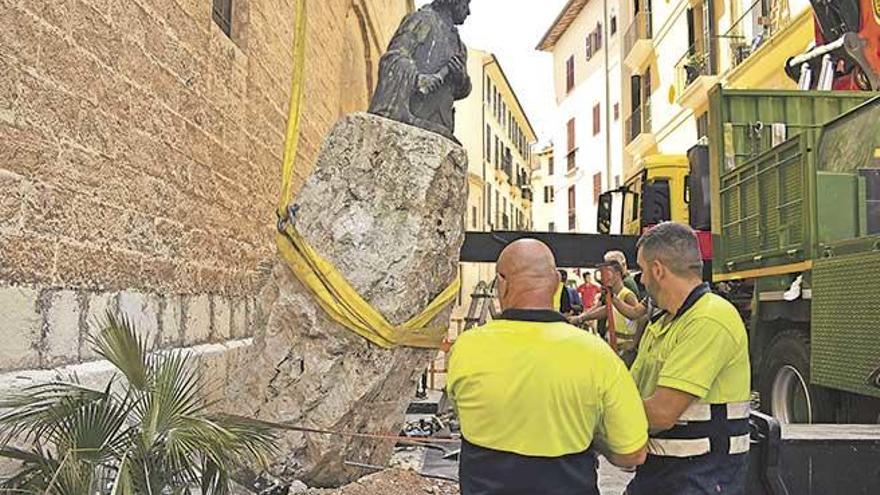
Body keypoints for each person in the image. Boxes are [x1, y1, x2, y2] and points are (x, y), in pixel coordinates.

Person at [447, 239, 648, 495]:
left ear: (502, 282)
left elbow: (463, 414)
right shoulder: (598, 356)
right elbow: (632, 454)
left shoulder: (466, 347)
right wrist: (591, 436)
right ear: (555, 283)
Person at [625, 222, 751, 495]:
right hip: (661, 475)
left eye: (642, 271)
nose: (642, 281)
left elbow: (661, 413)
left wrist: (590, 416)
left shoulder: (709, 319)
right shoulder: (663, 323)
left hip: (701, 480)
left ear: (658, 270)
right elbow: (629, 392)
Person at [569, 261, 640, 352]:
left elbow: (641, 317)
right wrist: (581, 318)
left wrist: (634, 343)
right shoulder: (613, 296)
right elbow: (606, 310)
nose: (603, 278)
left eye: (608, 274)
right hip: (613, 345)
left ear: (618, 274)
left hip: (625, 348)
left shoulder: (627, 295)